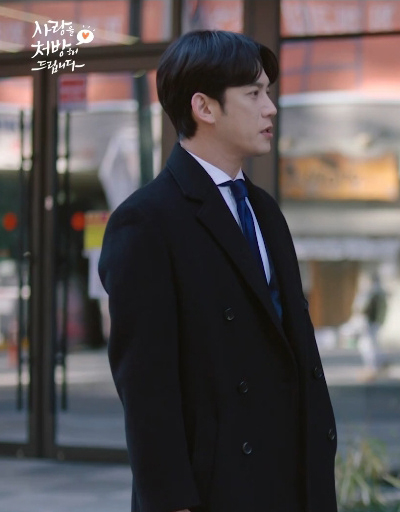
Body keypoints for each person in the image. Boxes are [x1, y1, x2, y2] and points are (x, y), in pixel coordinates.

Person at [98, 30, 337, 512]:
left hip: (293, 481)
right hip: (215, 490)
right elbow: (147, 389)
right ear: (204, 107)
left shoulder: (265, 210)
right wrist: (172, 503)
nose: (270, 108)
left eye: (267, 92)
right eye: (253, 94)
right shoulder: (145, 221)